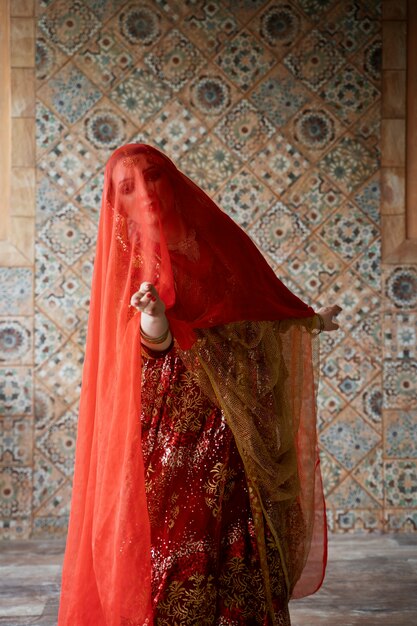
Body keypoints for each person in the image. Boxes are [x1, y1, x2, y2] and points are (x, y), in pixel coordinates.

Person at [57, 143, 341, 626]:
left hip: (237, 427)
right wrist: (153, 317)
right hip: (174, 434)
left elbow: (256, 300)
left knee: (240, 530)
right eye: (128, 188)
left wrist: (302, 319)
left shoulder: (218, 241)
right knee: (179, 541)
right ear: (117, 204)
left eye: (154, 177)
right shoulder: (131, 262)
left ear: (174, 180)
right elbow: (145, 347)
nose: (146, 192)